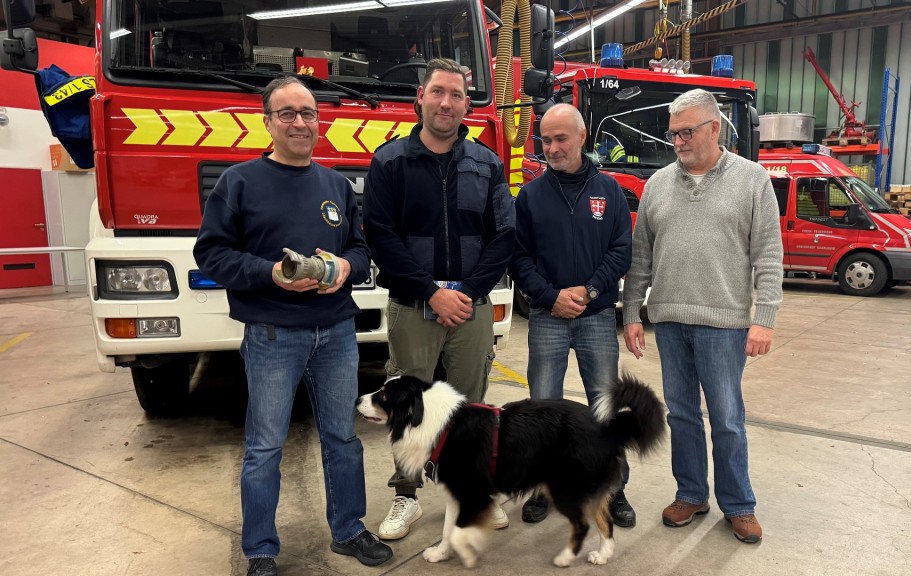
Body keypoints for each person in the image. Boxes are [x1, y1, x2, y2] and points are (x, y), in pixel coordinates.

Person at [194, 76, 393, 576]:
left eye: (307, 113)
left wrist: (347, 267)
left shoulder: (335, 186)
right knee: (264, 447)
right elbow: (211, 253)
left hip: (337, 334)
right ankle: (260, 550)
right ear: (267, 122)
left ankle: (349, 529)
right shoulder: (238, 183)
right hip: (272, 335)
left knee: (342, 439)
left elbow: (359, 247)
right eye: (287, 113)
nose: (300, 122)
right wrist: (272, 276)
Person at [362, 58, 516, 540]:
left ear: (466, 104)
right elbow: (380, 236)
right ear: (420, 99)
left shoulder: (487, 163)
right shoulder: (389, 162)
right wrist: (431, 292)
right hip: (413, 305)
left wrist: (466, 294)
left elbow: (504, 235)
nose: (446, 102)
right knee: (404, 403)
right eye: (438, 92)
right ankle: (405, 496)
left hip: (472, 306)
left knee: (471, 406)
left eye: (456, 94)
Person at [621, 89, 783, 544]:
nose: (678, 141)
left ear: (715, 128)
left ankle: (739, 504)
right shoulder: (656, 185)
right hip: (670, 320)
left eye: (687, 131)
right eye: (673, 133)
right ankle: (691, 493)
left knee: (727, 417)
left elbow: (768, 255)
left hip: (725, 323)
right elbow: (641, 257)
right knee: (683, 415)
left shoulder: (752, 181)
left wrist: (764, 317)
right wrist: (633, 310)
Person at [508, 103, 635, 527]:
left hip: (597, 316)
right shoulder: (531, 195)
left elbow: (621, 250)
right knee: (543, 407)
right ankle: (543, 488)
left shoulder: (609, 191)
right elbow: (519, 258)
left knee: (604, 407)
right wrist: (550, 295)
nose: (553, 147)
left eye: (561, 138)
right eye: (546, 139)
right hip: (547, 317)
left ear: (582, 137)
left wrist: (591, 289)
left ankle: (614, 490)